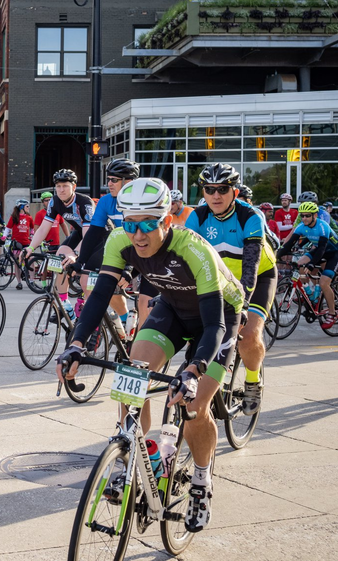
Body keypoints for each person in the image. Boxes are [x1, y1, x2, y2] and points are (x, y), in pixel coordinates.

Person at [58, 177, 245, 535]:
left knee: (194, 407)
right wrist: (77, 344)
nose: (139, 234)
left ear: (168, 220)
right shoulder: (119, 240)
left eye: (149, 224)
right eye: (131, 224)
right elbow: (99, 297)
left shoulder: (193, 249)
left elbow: (214, 326)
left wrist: (193, 370)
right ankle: (136, 455)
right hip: (172, 308)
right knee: (131, 374)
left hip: (219, 317)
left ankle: (202, 483)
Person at [185, 163, 277, 416]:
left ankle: (252, 379)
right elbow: (186, 260)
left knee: (247, 334)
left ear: (234, 191)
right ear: (203, 192)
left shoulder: (250, 216)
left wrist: (243, 304)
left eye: (223, 189)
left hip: (258, 277)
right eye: (210, 189)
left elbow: (251, 265)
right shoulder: (197, 217)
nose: (216, 195)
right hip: (221, 280)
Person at [76, 158, 141, 329]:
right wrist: (80, 261)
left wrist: (131, 271)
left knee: (146, 302)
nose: (109, 184)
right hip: (122, 249)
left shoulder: (140, 202)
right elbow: (94, 233)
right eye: (108, 179)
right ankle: (123, 325)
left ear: (129, 182)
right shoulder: (106, 201)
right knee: (106, 286)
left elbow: (146, 242)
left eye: (114, 180)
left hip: (144, 251)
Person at [21, 169, 94, 314]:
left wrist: (76, 254)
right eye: (58, 186)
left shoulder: (85, 203)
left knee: (86, 282)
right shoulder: (54, 201)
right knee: (59, 257)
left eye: (65, 186)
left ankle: (91, 315)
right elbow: (43, 229)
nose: (61, 190)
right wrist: (30, 248)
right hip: (79, 233)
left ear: (73, 187)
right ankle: (65, 305)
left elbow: (89, 235)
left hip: (98, 237)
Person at [277, 201, 338, 328]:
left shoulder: (322, 226)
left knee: (323, 282)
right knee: (298, 264)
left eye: (307, 216)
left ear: (314, 216)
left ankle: (332, 313)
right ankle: (310, 295)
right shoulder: (301, 226)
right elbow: (288, 245)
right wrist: (275, 257)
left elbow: (321, 249)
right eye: (302, 215)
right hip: (319, 251)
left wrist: (311, 265)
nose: (304, 218)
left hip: (333, 253)